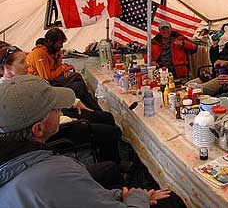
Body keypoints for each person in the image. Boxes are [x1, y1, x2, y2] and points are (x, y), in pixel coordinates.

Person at [0, 75, 170, 208]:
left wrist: (119, 195)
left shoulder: (15, 165)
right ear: (38, 129)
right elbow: (64, 188)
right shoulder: (54, 173)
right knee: (170, 201)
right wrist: (137, 197)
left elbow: (79, 196)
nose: (60, 110)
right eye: (55, 108)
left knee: (111, 169)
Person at [0, 45, 123, 165]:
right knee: (110, 131)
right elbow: (38, 124)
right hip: (54, 128)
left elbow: (48, 96)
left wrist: (74, 102)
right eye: (22, 62)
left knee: (106, 117)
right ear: (6, 67)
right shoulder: (11, 95)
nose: (27, 65)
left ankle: (106, 159)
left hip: (55, 117)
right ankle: (111, 165)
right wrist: (68, 119)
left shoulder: (23, 82)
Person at [26, 27, 101, 110]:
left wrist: (64, 69)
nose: (61, 46)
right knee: (77, 86)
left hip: (53, 80)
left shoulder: (54, 50)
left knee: (77, 76)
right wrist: (62, 69)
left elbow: (58, 66)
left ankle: (90, 107)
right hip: (44, 85)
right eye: (59, 43)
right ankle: (91, 108)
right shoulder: (39, 53)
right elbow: (47, 77)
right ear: (50, 42)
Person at [187, 27, 228, 96]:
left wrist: (227, 64)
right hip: (215, 74)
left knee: (198, 90)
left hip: (227, 77)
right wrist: (214, 45)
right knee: (188, 85)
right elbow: (214, 60)